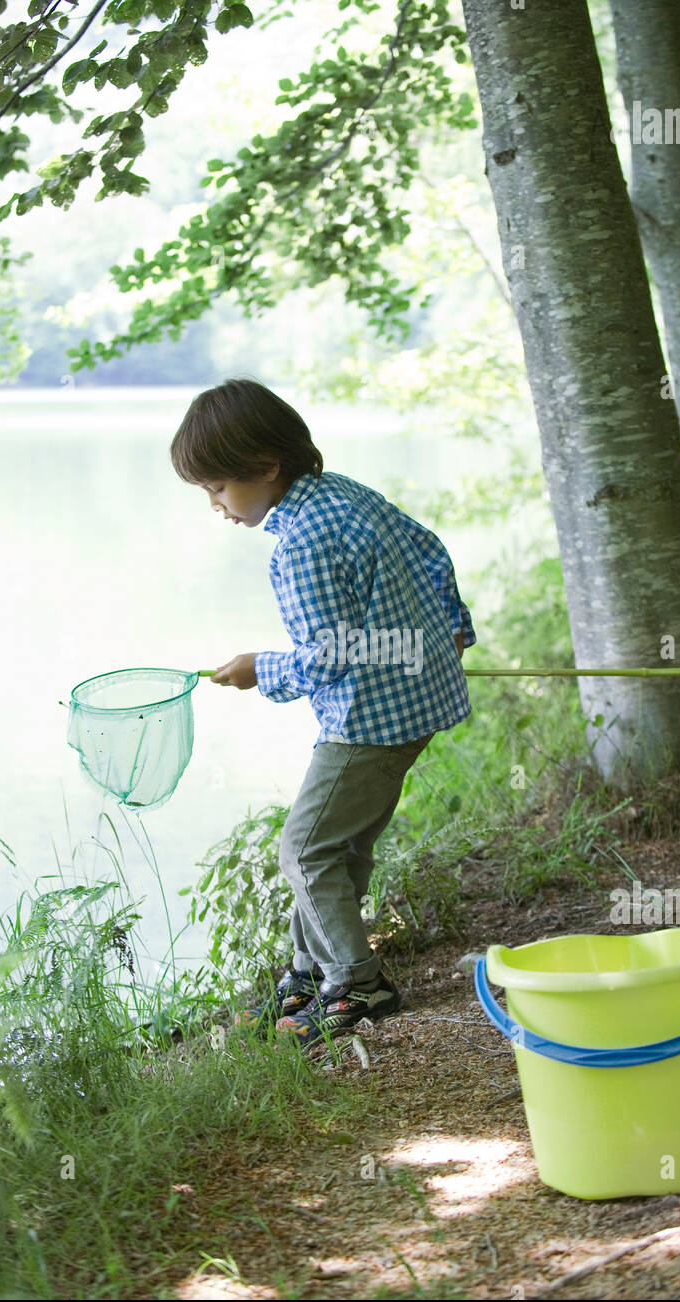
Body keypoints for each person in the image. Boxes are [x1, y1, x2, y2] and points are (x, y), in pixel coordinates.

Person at [170, 378, 476, 1046]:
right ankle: (309, 975)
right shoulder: (345, 495)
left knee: (305, 850)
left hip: (369, 720)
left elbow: (330, 655)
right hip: (416, 701)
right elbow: (430, 549)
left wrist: (261, 668)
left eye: (218, 488)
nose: (217, 507)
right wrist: (455, 628)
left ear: (264, 468)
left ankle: (357, 983)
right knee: (339, 846)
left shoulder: (300, 545)